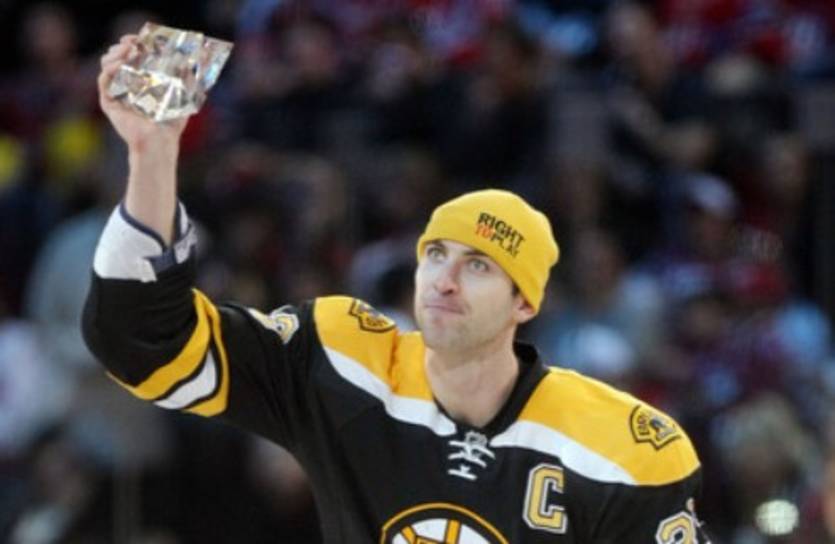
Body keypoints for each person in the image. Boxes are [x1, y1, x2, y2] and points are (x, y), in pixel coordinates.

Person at [83, 34, 711, 543]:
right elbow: (150, 346)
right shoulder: (343, 363)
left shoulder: (617, 447)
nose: (445, 280)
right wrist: (153, 152)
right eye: (435, 255)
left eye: (479, 266)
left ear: (524, 302)